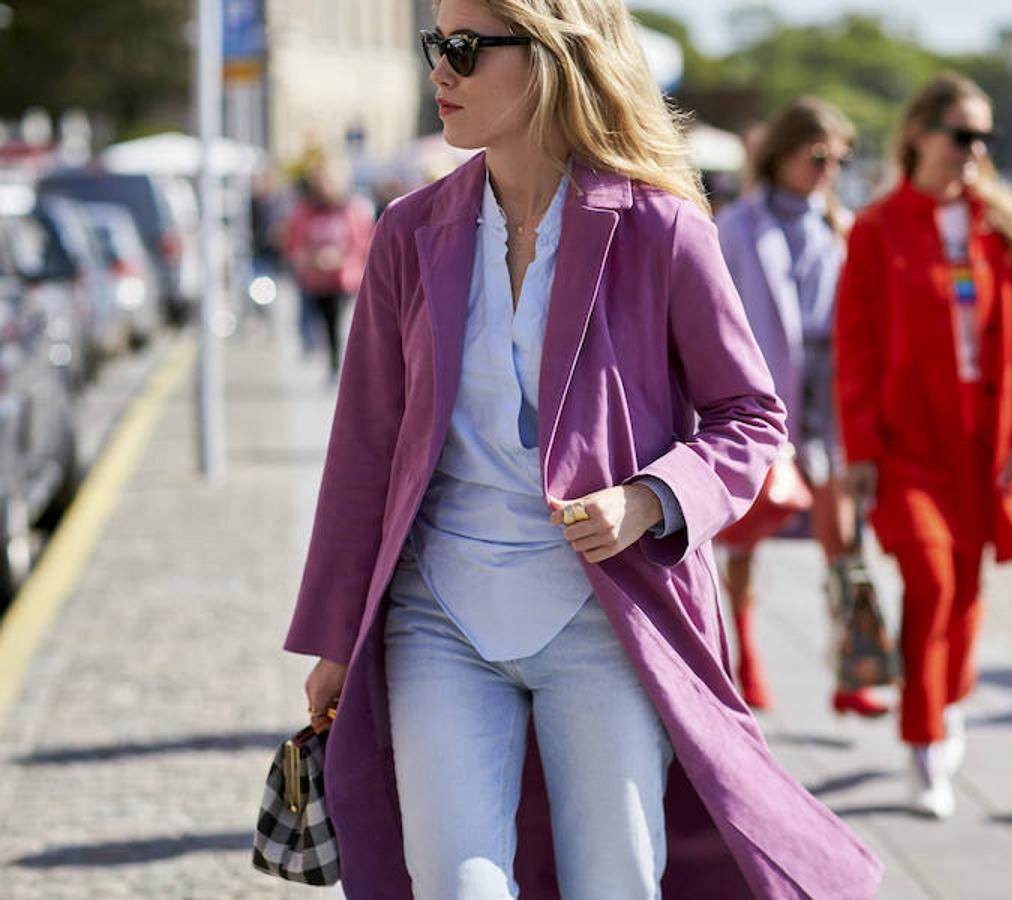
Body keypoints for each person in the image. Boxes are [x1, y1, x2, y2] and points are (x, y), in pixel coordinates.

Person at [284, 1, 883, 897]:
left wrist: (650, 499)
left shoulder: (661, 228)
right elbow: (363, 447)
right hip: (436, 615)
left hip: (607, 617)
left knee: (613, 883)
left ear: (552, 59)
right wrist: (337, 636)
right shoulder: (408, 233)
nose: (438, 70)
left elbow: (751, 416)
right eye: (434, 45)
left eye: (463, 49)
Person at [834, 72, 1012, 819]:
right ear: (920, 135)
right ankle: (925, 741)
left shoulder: (998, 230)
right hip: (906, 446)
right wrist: (860, 449)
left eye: (983, 136)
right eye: (962, 134)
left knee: (966, 590)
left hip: (979, 443)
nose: (974, 149)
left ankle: (951, 697)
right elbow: (854, 348)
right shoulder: (876, 229)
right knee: (929, 582)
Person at [713, 97, 886, 717]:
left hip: (828, 399)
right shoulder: (736, 227)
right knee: (745, 536)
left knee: (843, 537)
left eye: (841, 159)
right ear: (783, 153)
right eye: (818, 156)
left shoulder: (841, 226)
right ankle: (744, 657)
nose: (830, 170)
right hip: (761, 398)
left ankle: (854, 671)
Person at [282, 160, 374, 378]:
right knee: (325, 324)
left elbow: (363, 243)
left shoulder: (352, 210)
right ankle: (333, 364)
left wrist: (341, 259)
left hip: (346, 279)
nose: (325, 187)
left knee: (343, 323)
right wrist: (312, 259)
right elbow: (294, 243)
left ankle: (345, 366)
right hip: (317, 280)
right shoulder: (305, 211)